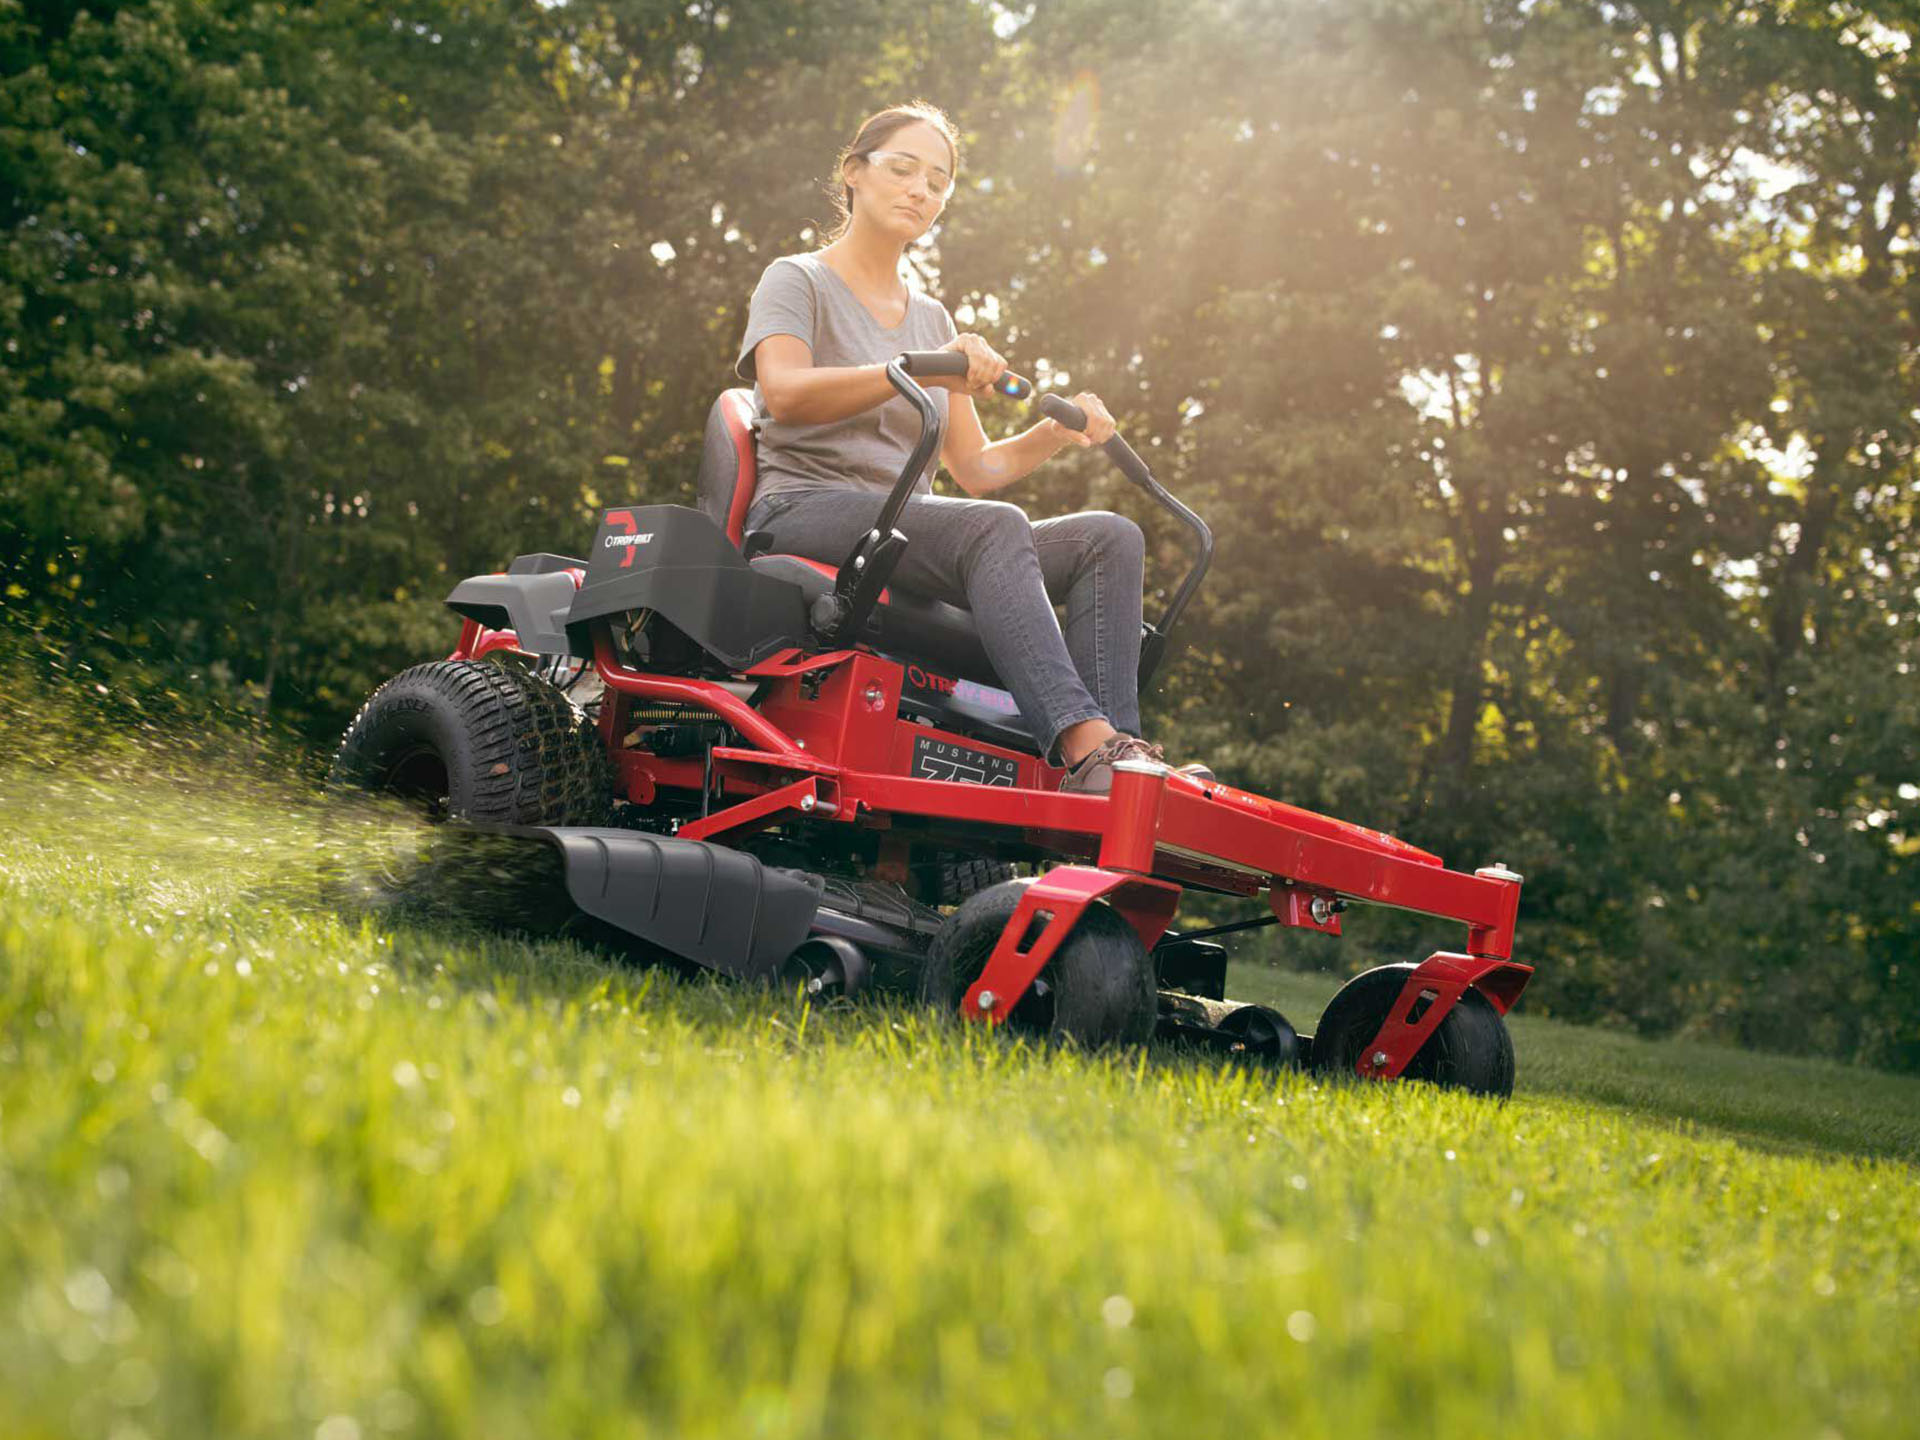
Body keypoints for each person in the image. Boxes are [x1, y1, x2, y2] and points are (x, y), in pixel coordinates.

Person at [735, 101, 1211, 795]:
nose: (920, 190)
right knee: (994, 529)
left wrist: (1056, 430)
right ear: (853, 173)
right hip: (800, 505)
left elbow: (975, 468)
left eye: (936, 181)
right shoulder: (798, 278)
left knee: (1109, 537)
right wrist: (921, 367)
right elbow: (783, 393)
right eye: (903, 169)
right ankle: (1084, 745)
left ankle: (1119, 755)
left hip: (898, 526)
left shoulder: (931, 316)